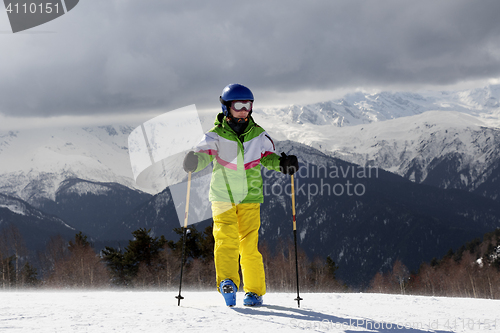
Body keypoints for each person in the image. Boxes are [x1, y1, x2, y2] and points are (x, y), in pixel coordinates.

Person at [183, 83, 299, 307]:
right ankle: (228, 282)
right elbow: (204, 156)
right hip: (222, 196)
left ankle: (254, 291)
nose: (244, 110)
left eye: (248, 105)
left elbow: (268, 157)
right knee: (225, 239)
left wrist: (283, 164)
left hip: (250, 197)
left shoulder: (259, 135)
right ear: (226, 107)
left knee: (248, 245)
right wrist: (194, 162)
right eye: (239, 105)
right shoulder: (215, 136)